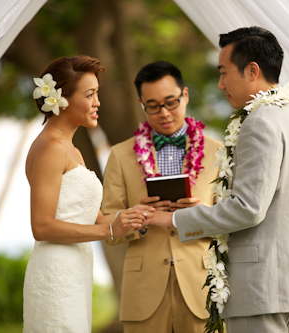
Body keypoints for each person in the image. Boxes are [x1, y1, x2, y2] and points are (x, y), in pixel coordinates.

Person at [145, 27, 289, 333]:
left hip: (259, 287)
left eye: (224, 72)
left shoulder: (260, 122)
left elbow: (248, 208)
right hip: (287, 284)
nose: (221, 84)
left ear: (252, 71)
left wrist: (173, 219)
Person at [22, 56, 153, 333]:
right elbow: (42, 226)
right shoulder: (50, 148)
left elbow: (92, 218)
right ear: (62, 99)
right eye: (90, 94)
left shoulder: (73, 150)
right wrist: (111, 231)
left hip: (76, 272)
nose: (98, 103)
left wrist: (130, 215)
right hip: (56, 274)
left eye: (97, 94)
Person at [101, 61, 223, 333]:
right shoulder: (120, 155)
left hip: (201, 287)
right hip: (142, 293)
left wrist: (202, 212)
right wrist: (135, 218)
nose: (164, 113)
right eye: (153, 106)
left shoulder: (219, 152)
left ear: (186, 95)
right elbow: (107, 226)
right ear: (141, 103)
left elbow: (233, 221)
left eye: (171, 102)